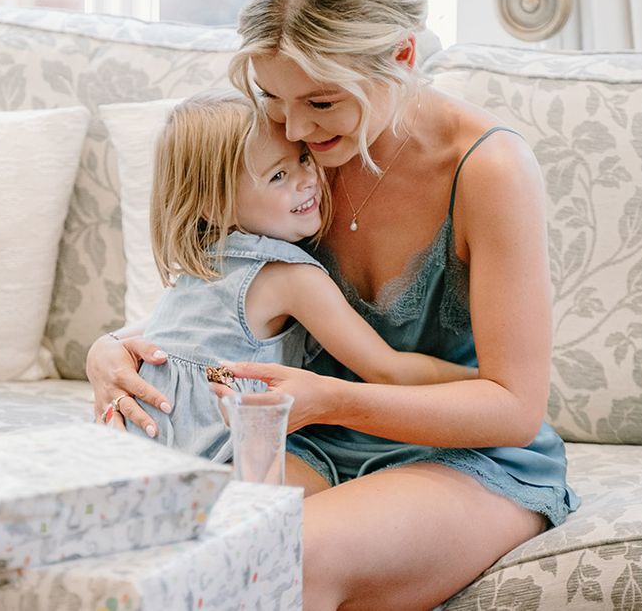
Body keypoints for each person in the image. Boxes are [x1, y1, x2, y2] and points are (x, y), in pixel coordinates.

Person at [87, 0, 579, 609]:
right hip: (320, 439)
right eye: (274, 98)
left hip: (466, 453)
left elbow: (513, 409)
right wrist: (110, 348)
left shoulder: (489, 171)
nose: (294, 129)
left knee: (281, 555)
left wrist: (331, 399)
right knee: (181, 548)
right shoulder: (295, 164)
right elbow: (227, 292)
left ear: (403, 55)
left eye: (320, 101)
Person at [123, 90, 477, 461]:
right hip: (207, 452)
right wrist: (484, 383)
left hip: (141, 439)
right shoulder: (290, 277)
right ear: (215, 206)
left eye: (304, 159)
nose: (307, 180)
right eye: (278, 175)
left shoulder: (211, 261)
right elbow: (386, 370)